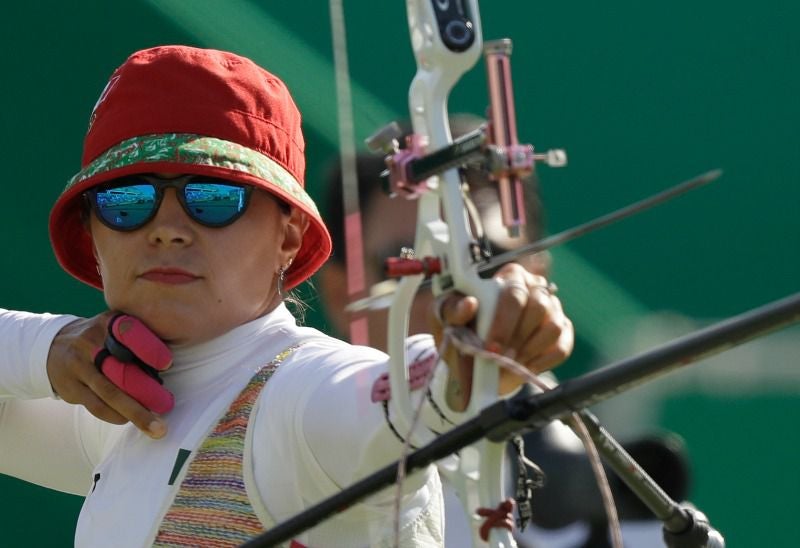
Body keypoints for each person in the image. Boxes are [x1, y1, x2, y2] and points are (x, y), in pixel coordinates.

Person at [0, 45, 573, 547]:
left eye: (213, 197)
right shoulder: (120, 414)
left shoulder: (296, 396)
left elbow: (395, 403)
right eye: (127, 200)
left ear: (288, 234)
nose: (166, 228)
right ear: (94, 234)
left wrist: (472, 356)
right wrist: (47, 349)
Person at [318, 145, 689, 547]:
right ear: (343, 295)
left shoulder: (643, 527)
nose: (457, 295)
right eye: (419, 265)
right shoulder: (283, 483)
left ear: (536, 274)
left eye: (487, 259)